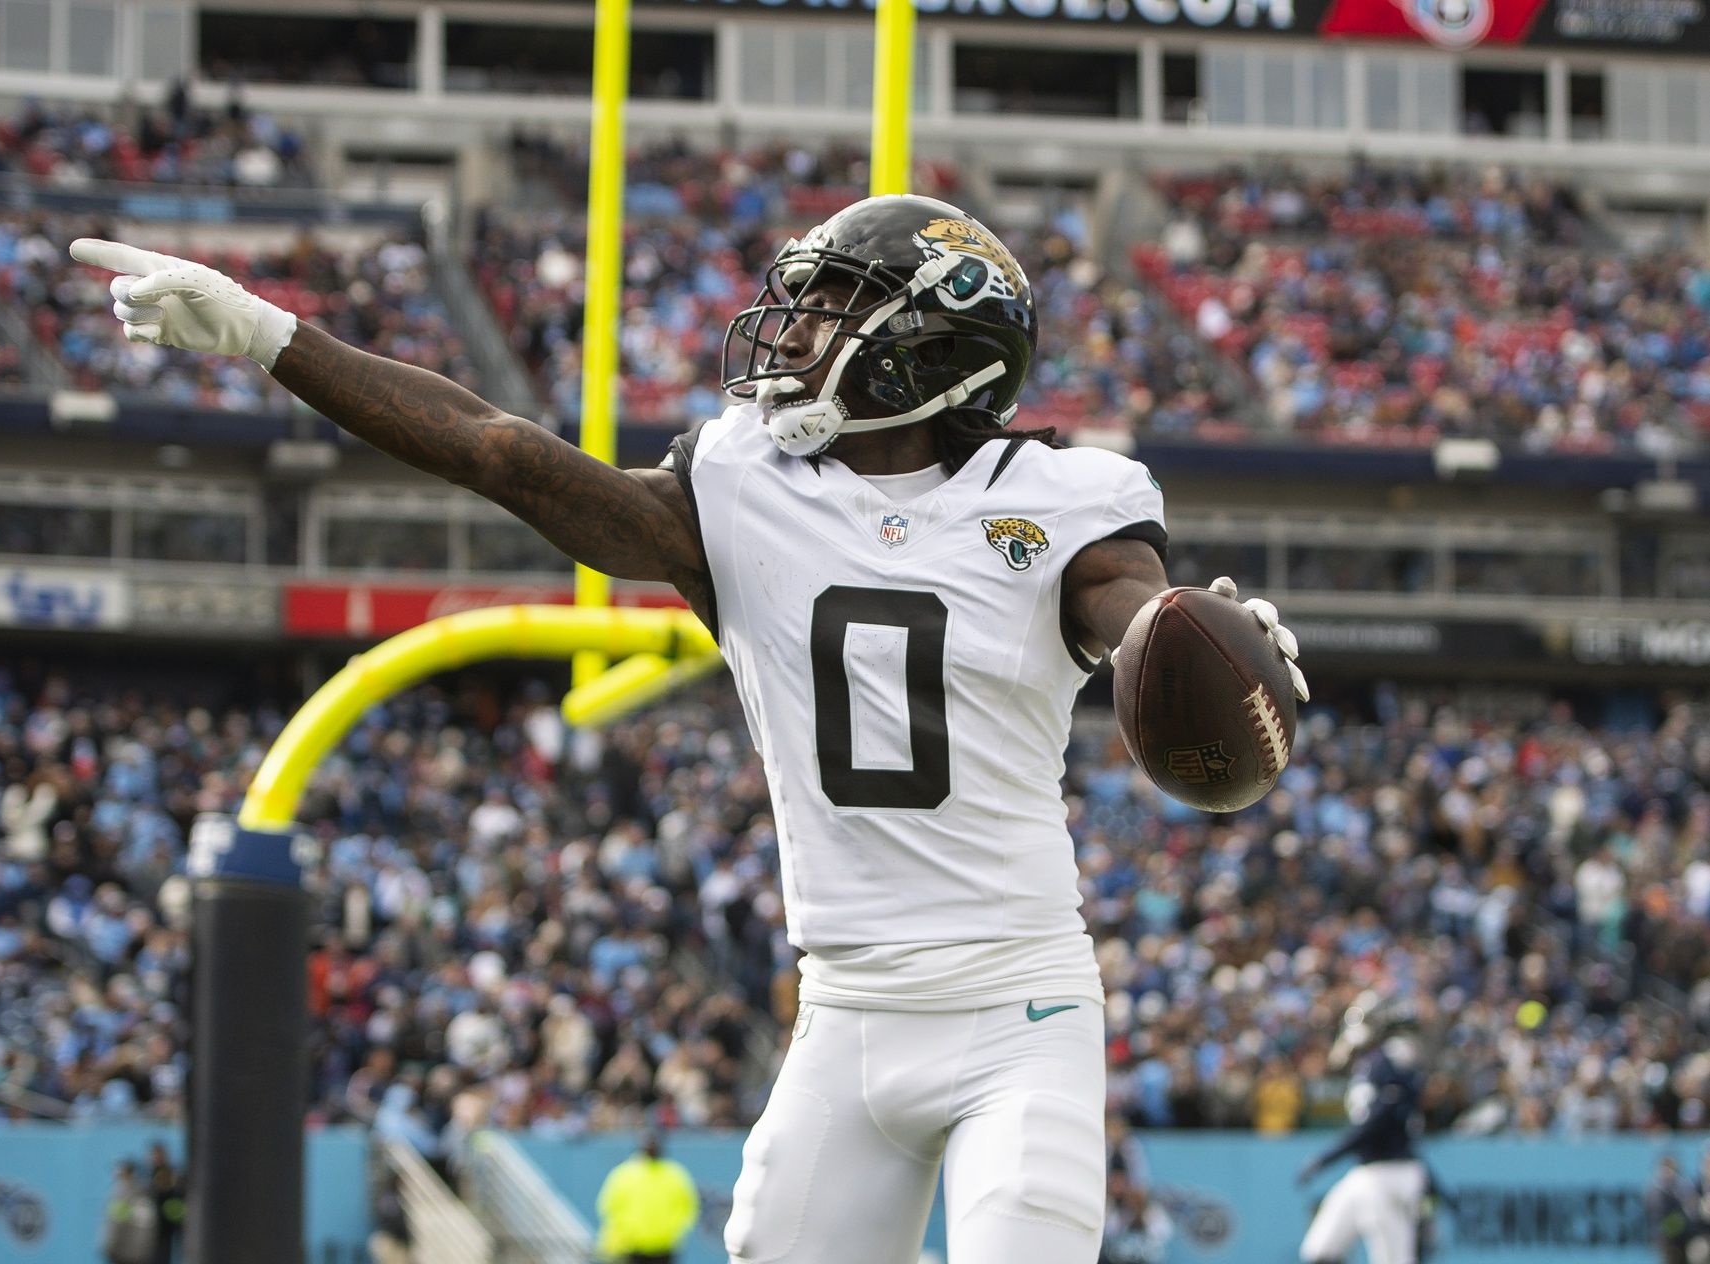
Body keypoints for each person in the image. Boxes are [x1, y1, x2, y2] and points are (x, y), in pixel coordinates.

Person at [69, 190, 1305, 1264]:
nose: (795, 327)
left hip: (1016, 1009)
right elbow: (504, 454)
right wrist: (269, 334)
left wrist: (1192, 632)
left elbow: (1132, 612)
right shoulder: (742, 485)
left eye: (834, 304)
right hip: (847, 1009)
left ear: (926, 350)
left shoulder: (1061, 498)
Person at [1296, 1000, 1430, 1264]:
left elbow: (1378, 1120)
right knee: (1319, 1249)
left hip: (1389, 1171)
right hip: (1367, 1170)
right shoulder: (1374, 1064)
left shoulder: (1385, 1063)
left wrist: (1327, 1157)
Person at [595, 1130, 699, 1264]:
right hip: (632, 1247)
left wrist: (673, 1230)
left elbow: (688, 1207)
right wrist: (626, 1231)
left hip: (664, 1246)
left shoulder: (674, 1174)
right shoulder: (625, 1174)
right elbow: (609, 1207)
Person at [99, 1158, 158, 1264]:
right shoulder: (118, 1193)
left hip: (131, 1254)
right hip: (119, 1251)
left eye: (121, 1172)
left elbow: (144, 1226)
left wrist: (140, 1252)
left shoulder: (139, 1195)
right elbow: (112, 1224)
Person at [145, 1142, 185, 1264]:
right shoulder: (147, 1176)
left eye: (159, 1155)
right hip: (152, 1226)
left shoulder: (173, 1174)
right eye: (154, 1155)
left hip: (169, 1226)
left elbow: (178, 1196)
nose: (156, 1158)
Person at [1647, 1154, 1690, 1264]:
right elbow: (1662, 1224)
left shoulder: (1681, 1189)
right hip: (1665, 1238)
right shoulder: (1655, 1193)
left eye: (1672, 1170)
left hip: (1683, 1236)